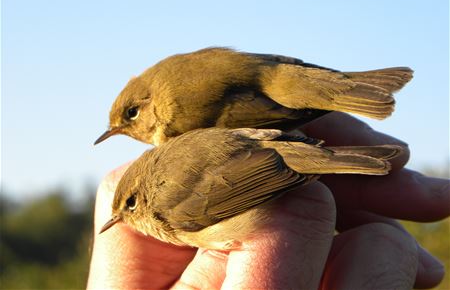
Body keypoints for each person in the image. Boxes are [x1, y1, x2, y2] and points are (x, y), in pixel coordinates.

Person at [87, 113, 448, 289]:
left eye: (129, 208)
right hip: (269, 147)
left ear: (142, 196)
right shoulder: (173, 150)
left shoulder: (166, 209)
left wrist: (294, 169)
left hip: (267, 171)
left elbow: (245, 185)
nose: (124, 218)